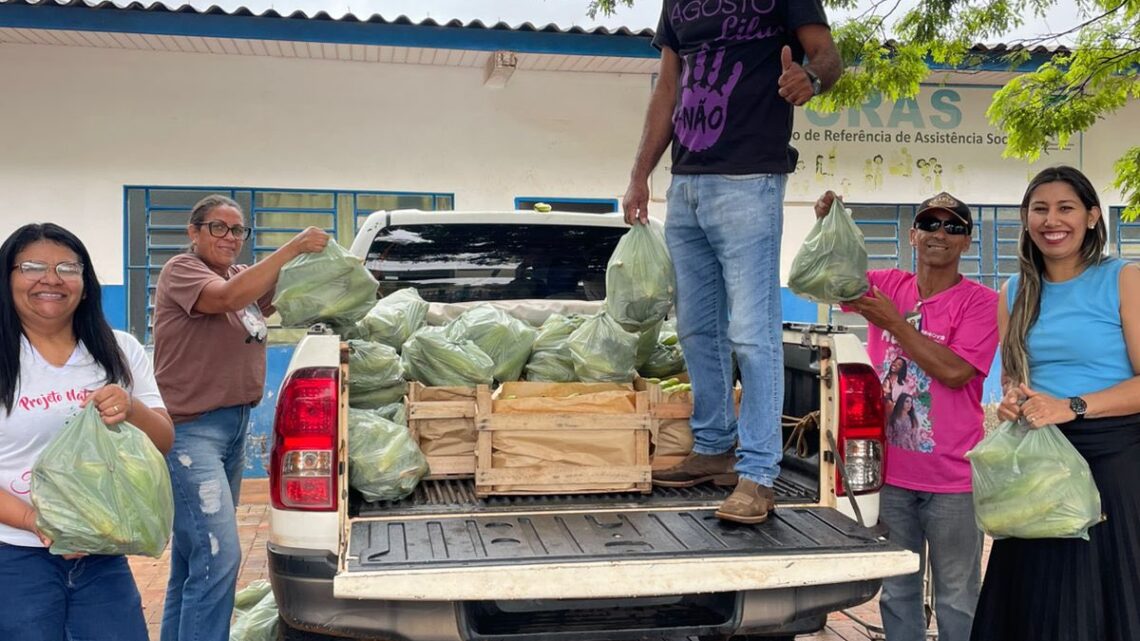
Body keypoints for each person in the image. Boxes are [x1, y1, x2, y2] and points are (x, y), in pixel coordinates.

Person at [625, 0, 843, 524]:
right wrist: (640, 174)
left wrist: (809, 78)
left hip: (750, 180)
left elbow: (828, 56)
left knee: (751, 330)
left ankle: (759, 474)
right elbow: (667, 90)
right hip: (688, 183)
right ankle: (714, 447)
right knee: (697, 328)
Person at [817, 190, 999, 641]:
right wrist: (829, 228)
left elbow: (955, 373)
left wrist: (896, 323)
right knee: (897, 592)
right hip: (892, 477)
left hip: (953, 481)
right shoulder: (886, 285)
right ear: (912, 234)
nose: (941, 233)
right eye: (930, 224)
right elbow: (824, 277)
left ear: (967, 242)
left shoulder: (980, 303)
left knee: (958, 595)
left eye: (953, 227)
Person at [971, 166, 1140, 641]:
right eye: (1039, 209)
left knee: (1101, 603)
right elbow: (1014, 380)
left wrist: (1074, 406)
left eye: (1065, 207)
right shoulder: (1014, 290)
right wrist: (1012, 402)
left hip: (1113, 461)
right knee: (1034, 605)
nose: (1052, 220)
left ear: (1091, 216)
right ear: (1025, 219)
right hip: (1039, 464)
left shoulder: (1124, 278)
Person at [154, 195, 328, 641]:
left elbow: (265, 292)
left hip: (232, 428)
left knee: (194, 560)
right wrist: (292, 247)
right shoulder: (183, 270)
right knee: (219, 557)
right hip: (192, 433)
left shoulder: (234, 276)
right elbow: (228, 298)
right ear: (193, 232)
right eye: (219, 227)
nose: (230, 238)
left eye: (238, 230)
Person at [0, 223, 174, 641]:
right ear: (7, 277)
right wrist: (34, 519)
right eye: (33, 266)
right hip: (13, 552)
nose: (51, 279)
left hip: (101, 551)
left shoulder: (118, 350)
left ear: (85, 280)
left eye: (67, 267)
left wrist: (130, 409)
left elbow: (164, 440)